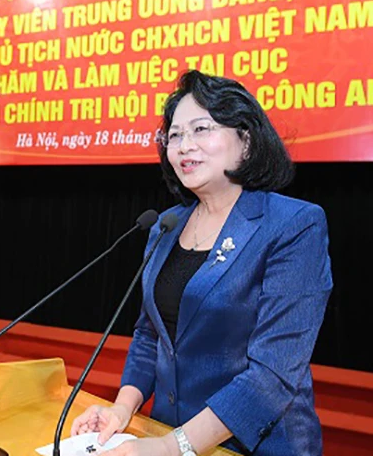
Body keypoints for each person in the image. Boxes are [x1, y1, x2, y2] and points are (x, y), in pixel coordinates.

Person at [71, 71, 333, 455]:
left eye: (201, 129)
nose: (184, 146)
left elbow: (272, 376)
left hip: (255, 446)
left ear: (246, 140)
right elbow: (150, 336)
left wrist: (171, 447)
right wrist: (121, 410)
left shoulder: (292, 224)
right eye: (175, 135)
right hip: (167, 430)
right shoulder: (166, 225)